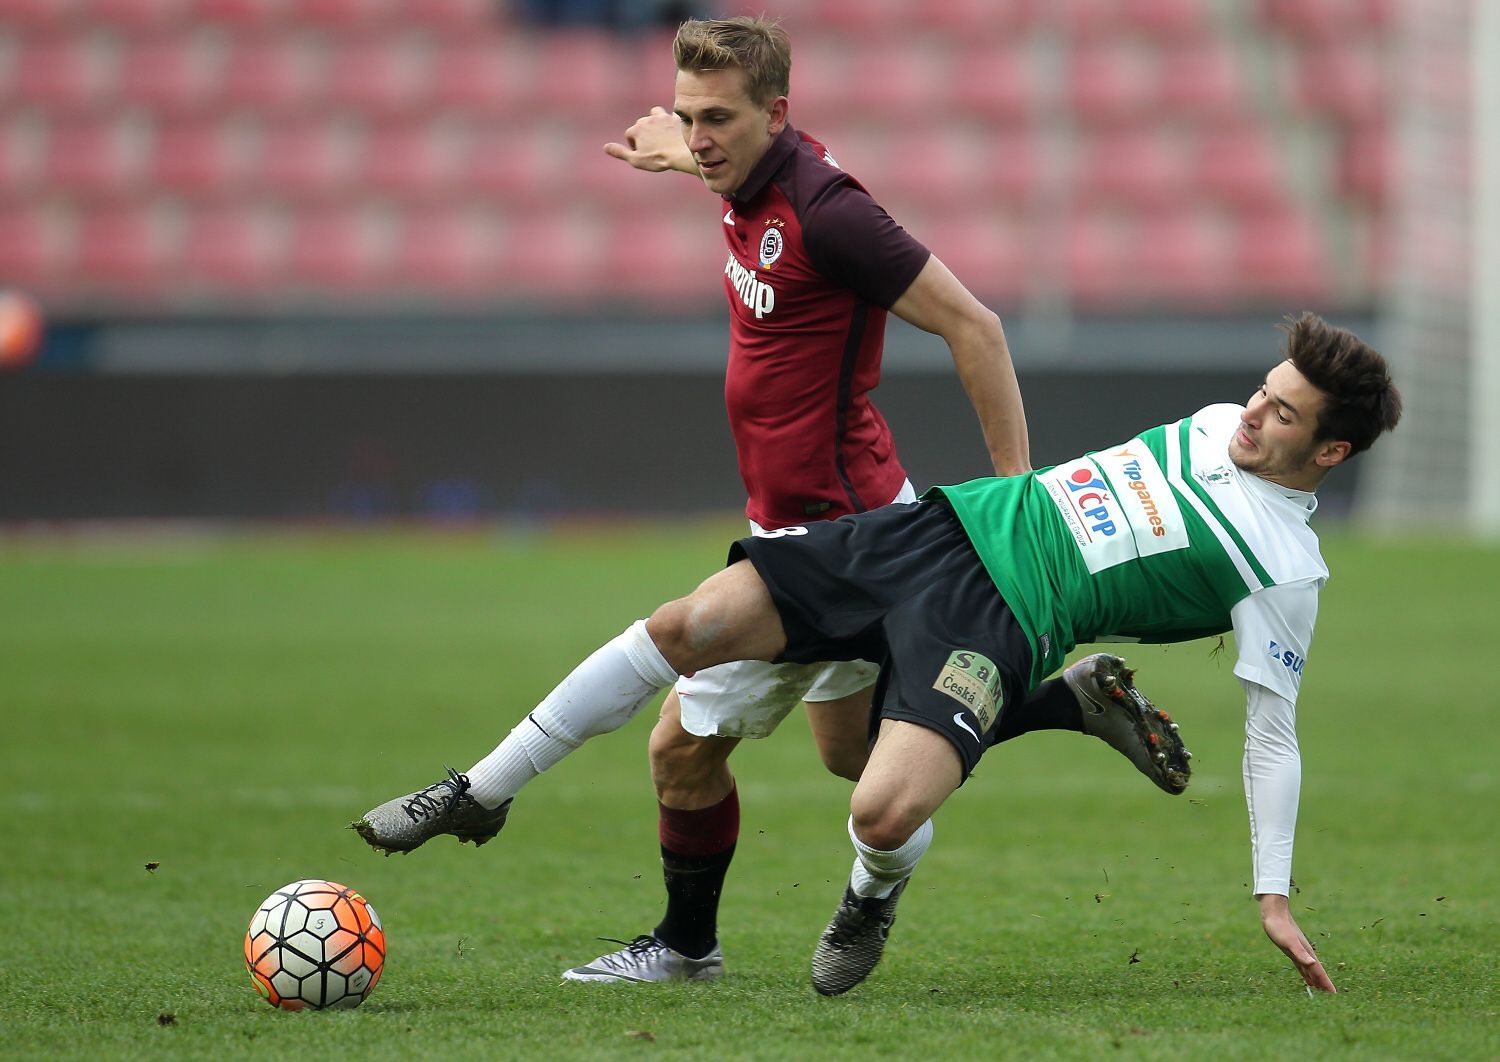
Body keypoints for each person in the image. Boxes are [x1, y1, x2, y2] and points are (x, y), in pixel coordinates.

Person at [354, 15, 1190, 982]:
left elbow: (978, 327)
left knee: (678, 710)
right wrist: (677, 145)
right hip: (799, 524)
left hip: (844, 537)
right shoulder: (734, 170)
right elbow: (703, 148)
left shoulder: (832, 213)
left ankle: (516, 816)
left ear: (776, 115)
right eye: (687, 114)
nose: (699, 135)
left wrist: (1017, 500)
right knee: (856, 759)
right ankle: (1062, 705)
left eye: (718, 119)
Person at [360, 311, 1400, 995]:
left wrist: (1272, 893)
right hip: (930, 531)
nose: (1253, 414)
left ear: (1333, 452)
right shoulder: (1223, 418)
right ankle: (479, 788)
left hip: (999, 621)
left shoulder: (1284, 573)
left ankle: (870, 896)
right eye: (1262, 392)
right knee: (693, 627)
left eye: (1284, 414)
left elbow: (1274, 736)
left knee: (878, 805)